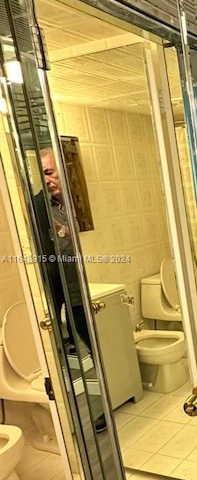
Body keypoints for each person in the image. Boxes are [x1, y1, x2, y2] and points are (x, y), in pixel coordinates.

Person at [34, 148, 107, 433]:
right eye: (42, 173)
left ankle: (104, 405)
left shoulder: (75, 200)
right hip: (52, 283)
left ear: (63, 171)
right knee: (55, 351)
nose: (47, 179)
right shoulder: (39, 205)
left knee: (91, 344)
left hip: (76, 285)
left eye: (50, 172)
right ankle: (65, 415)